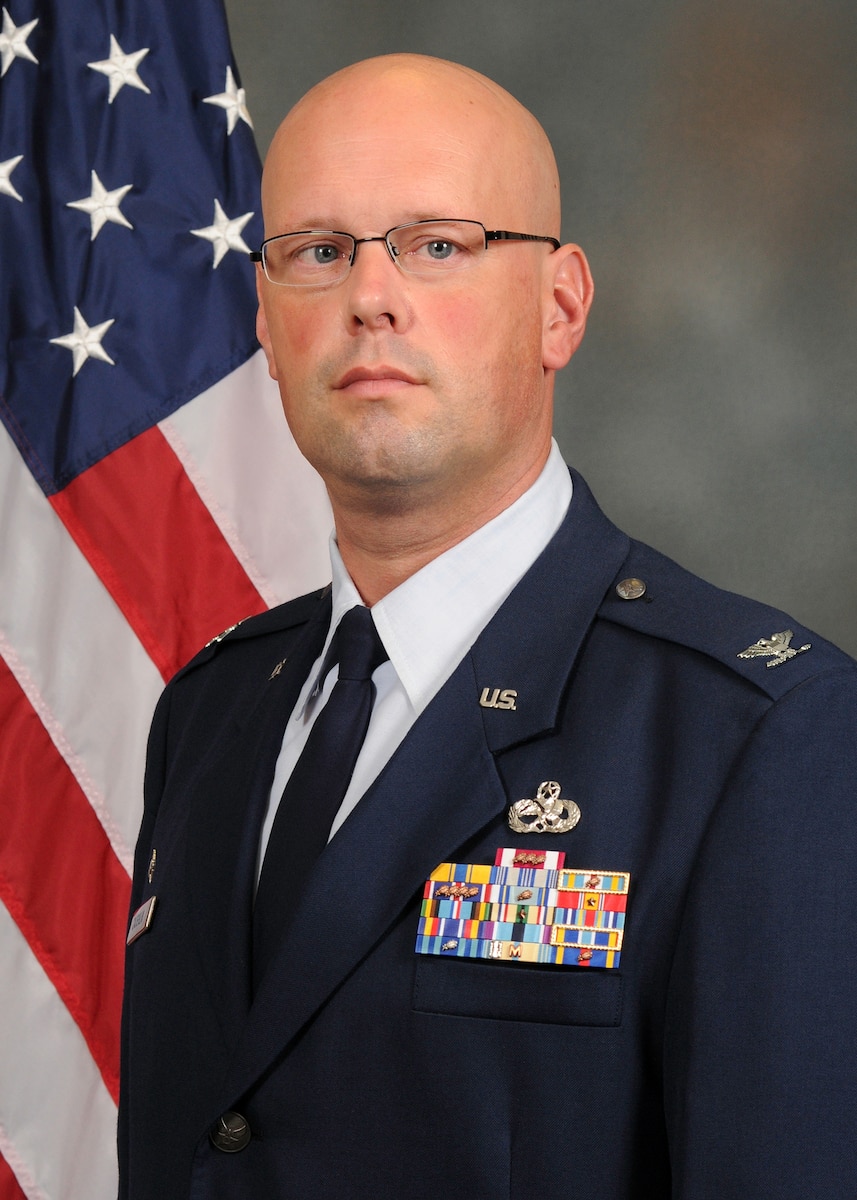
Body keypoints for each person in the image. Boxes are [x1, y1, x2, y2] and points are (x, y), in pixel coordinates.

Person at [118, 53, 857, 1199]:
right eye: (317, 252)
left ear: (558, 306)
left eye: (436, 244)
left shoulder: (755, 735)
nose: (370, 295)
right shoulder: (209, 713)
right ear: (264, 321)